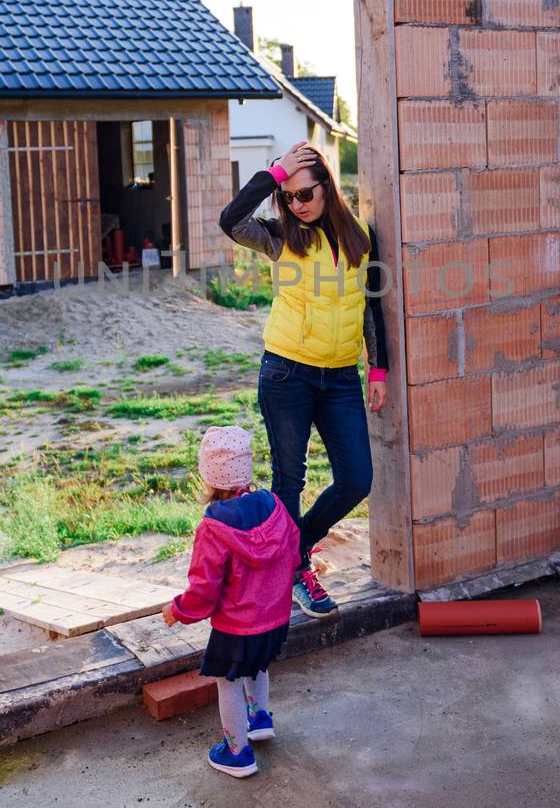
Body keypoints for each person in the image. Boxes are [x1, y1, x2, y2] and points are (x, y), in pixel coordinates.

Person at [218, 142, 388, 619]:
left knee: (357, 479)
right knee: (289, 480)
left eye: (305, 194)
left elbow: (371, 307)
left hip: (340, 379)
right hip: (286, 373)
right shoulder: (280, 237)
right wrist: (273, 174)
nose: (298, 205)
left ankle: (293, 551)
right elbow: (230, 220)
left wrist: (378, 369)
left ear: (327, 188)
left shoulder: (361, 237)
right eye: (288, 197)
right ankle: (295, 572)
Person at [164, 426, 300, 778]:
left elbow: (203, 589)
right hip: (274, 617)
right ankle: (260, 717)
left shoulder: (213, 527)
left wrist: (178, 610)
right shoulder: (273, 504)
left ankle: (238, 753)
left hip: (237, 625)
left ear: (208, 477)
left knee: (227, 682)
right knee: (257, 666)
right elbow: (293, 547)